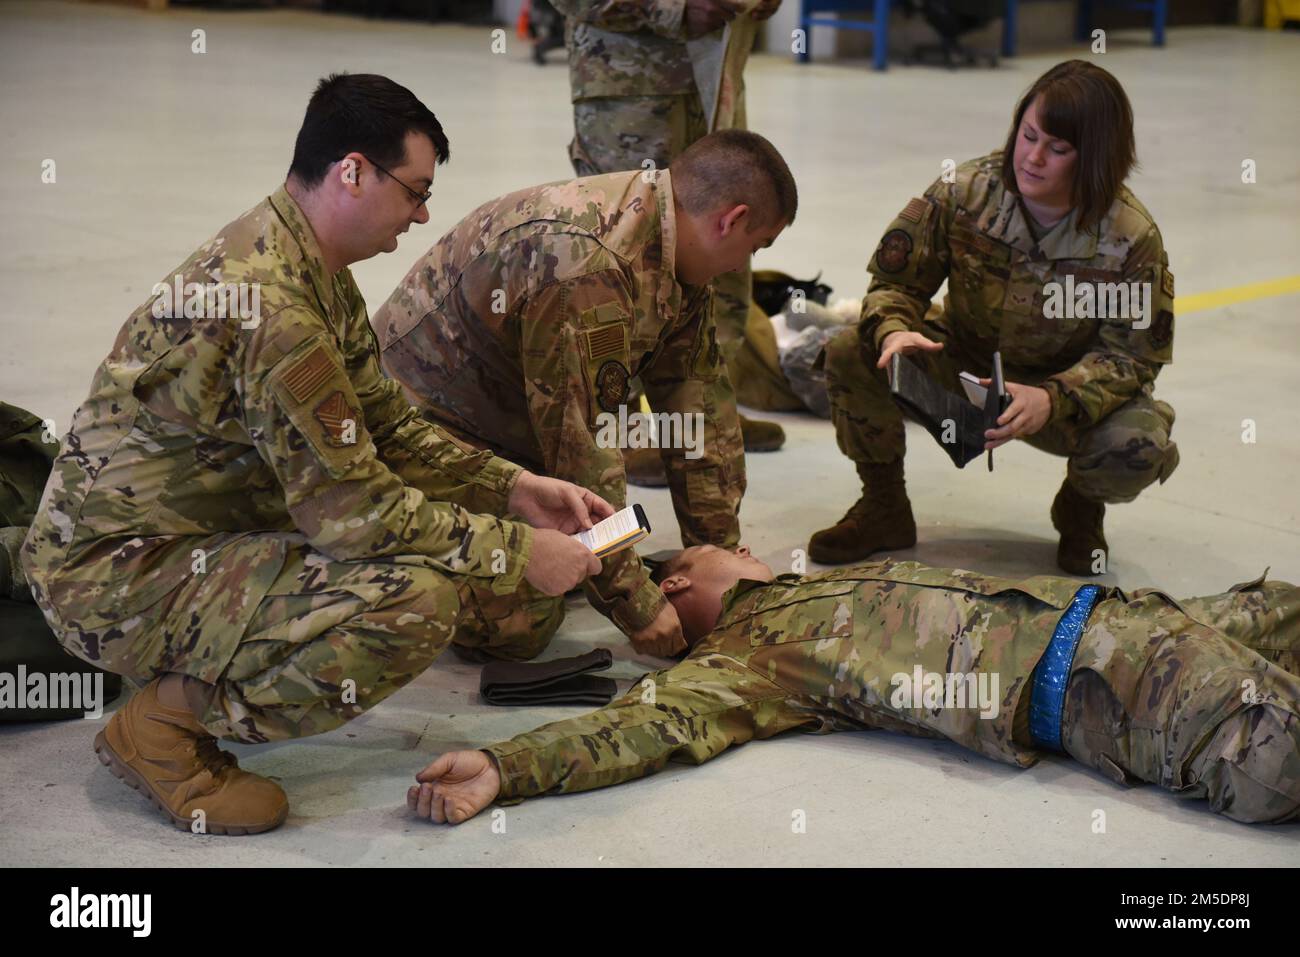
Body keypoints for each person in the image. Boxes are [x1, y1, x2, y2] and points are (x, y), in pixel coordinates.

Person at [21, 73, 611, 836]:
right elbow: (355, 515)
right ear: (354, 171)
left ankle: (187, 674)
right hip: (111, 572)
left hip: (174, 537)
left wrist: (512, 487)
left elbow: (388, 426)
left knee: (444, 557)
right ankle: (162, 729)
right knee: (413, 602)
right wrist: (515, 551)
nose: (424, 213)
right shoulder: (278, 308)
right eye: (415, 190)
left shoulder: (306, 263)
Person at [408, 545, 1300, 827]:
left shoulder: (806, 586)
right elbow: (634, 732)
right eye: (717, 545)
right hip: (1114, 683)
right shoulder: (746, 663)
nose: (741, 544)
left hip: (1146, 616)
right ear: (682, 580)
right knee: (1280, 763)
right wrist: (504, 766)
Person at [373, 129, 796, 659]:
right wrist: (633, 603)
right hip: (422, 435)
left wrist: (718, 556)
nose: (743, 265)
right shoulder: (588, 263)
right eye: (754, 248)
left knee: (569, 561)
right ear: (729, 220)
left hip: (509, 426)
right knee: (517, 618)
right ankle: (382, 553)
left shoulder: (675, 249)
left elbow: (699, 413)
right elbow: (583, 450)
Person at [810, 59, 1179, 575]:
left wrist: (1053, 398)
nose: (1031, 157)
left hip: (1066, 393)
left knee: (1134, 448)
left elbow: (1132, 358)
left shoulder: (1131, 238)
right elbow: (897, 284)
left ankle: (1079, 509)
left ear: (1095, 158)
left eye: (1058, 148)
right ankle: (883, 507)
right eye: (1028, 135)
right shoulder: (966, 192)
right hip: (962, 365)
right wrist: (897, 331)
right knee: (852, 350)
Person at [551, 0, 790, 477]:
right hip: (632, 90)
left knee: (724, 243)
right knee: (631, 249)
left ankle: (702, 410)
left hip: (717, 76)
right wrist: (670, 9)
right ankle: (622, 422)